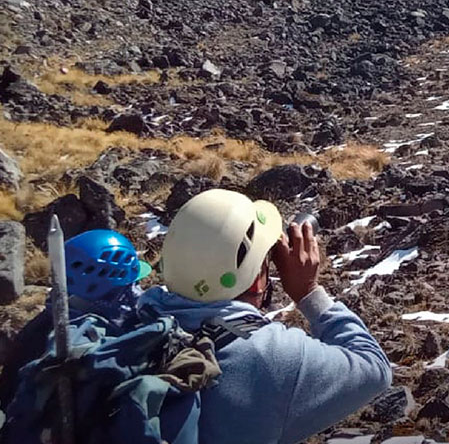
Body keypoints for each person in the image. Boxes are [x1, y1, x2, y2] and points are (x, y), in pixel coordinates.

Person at [138, 188, 393, 444]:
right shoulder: (272, 356)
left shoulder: (134, 319)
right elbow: (374, 367)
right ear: (255, 282)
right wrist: (308, 292)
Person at [0, 228, 151, 407]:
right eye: (131, 285)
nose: (136, 291)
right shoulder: (77, 346)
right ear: (108, 292)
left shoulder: (42, 328)